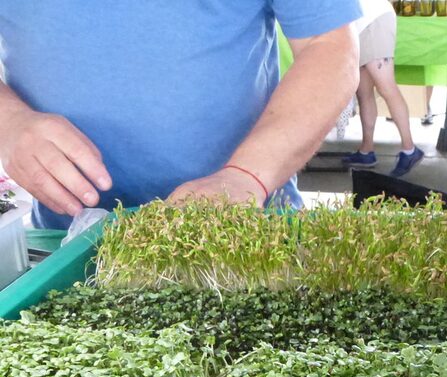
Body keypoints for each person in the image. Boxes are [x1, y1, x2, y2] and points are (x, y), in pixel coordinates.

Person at [0, 2, 361, 229]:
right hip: (64, 240)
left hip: (244, 230)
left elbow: (330, 46)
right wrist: (9, 120)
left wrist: (246, 176)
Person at [341, 0, 424, 178]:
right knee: (364, 93)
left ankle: (410, 149)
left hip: (373, 19)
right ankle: (366, 151)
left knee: (387, 88)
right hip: (359, 25)